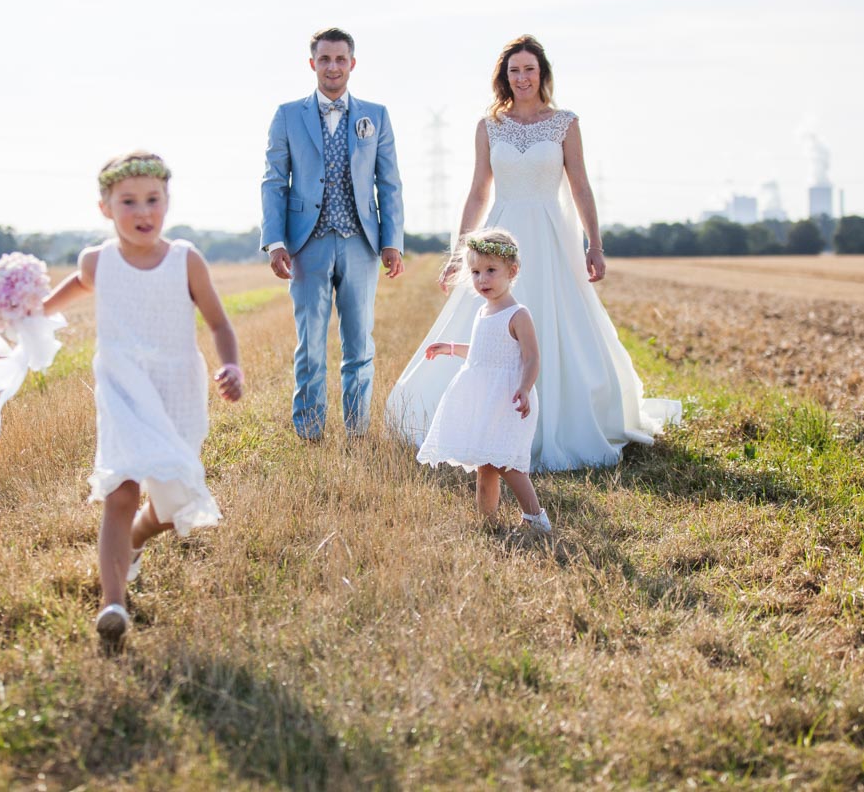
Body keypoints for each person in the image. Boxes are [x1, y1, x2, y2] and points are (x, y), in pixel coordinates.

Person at [386, 34, 679, 470]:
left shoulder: (564, 123)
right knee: (487, 326)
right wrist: (458, 251)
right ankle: (476, 427)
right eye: (514, 71)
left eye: (529, 69)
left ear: (542, 74)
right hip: (499, 238)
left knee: (560, 324)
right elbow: (477, 192)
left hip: (551, 238)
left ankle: (558, 420)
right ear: (504, 78)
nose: (522, 78)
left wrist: (594, 244)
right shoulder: (489, 126)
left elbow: (580, 186)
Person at [42, 151, 243, 648]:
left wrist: (231, 364)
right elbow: (66, 292)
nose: (142, 211)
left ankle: (137, 537)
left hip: (177, 390)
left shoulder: (185, 259)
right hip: (121, 386)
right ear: (105, 208)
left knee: (172, 508)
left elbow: (218, 322)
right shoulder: (98, 261)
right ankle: (114, 603)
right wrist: (32, 309)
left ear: (167, 201)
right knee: (120, 491)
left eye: (152, 199)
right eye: (127, 201)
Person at [261, 27, 405, 441]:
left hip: (361, 241)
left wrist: (391, 240)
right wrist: (275, 241)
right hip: (308, 243)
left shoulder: (374, 115)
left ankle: (357, 431)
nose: (333, 67)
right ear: (312, 64)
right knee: (310, 345)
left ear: (352, 64)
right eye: (324, 59)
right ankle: (309, 431)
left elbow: (389, 183)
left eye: (340, 59)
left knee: (359, 345)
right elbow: (274, 181)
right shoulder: (288, 115)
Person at [417, 229, 551, 532]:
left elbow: (532, 358)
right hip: (483, 398)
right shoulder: (483, 311)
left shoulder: (518, 315)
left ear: (512, 271)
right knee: (485, 464)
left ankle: (536, 518)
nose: (482, 280)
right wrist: (450, 348)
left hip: (508, 399)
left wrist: (525, 389)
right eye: (476, 272)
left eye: (491, 271)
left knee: (508, 464)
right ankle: (487, 522)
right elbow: (481, 353)